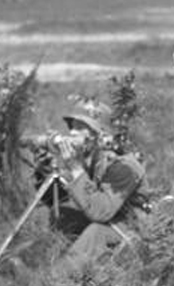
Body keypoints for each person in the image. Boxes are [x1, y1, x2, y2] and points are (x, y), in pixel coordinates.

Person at [31, 110, 148, 272]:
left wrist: (74, 166)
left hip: (132, 226)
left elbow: (101, 212)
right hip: (111, 218)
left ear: (96, 136)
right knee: (58, 214)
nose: (72, 132)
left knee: (95, 233)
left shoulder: (125, 166)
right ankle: (35, 262)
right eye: (72, 127)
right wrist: (42, 172)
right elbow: (58, 198)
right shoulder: (89, 159)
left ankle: (55, 283)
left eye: (80, 128)